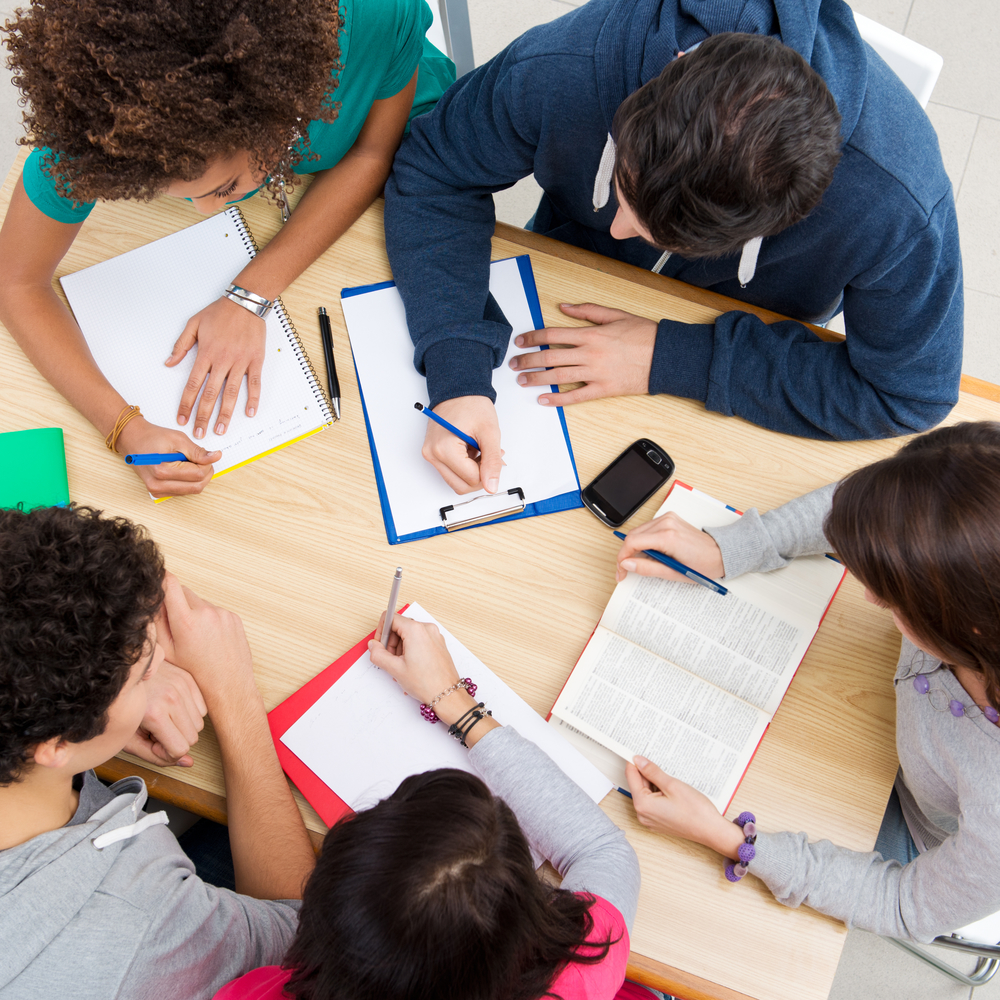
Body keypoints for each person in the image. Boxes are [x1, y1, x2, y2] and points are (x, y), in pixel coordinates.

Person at [383, 0, 962, 496]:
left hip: (744, 355)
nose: (614, 229)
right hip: (566, 288)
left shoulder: (897, 203)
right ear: (670, 73)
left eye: (651, 229)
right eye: (619, 186)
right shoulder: (568, 65)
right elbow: (435, 169)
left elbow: (909, 393)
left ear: (790, 216)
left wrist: (673, 357)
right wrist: (457, 366)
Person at [0, 0, 454, 498]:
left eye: (226, 185)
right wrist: (123, 428)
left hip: (413, 137)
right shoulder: (106, 119)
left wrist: (250, 294)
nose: (203, 212)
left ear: (270, 114)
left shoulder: (374, 16)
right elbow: (16, 283)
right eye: (180, 193)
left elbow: (372, 152)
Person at [613, 421, 1000, 941]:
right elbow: (881, 509)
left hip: (918, 832)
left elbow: (908, 905)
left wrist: (731, 840)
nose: (871, 599)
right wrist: (739, 545)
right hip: (890, 732)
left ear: (965, 623)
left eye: (893, 597)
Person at [213, 611, 651, 1000]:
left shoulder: (253, 990)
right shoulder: (574, 974)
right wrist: (456, 703)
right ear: (529, 932)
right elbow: (601, 850)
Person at [0, 504, 316, 998]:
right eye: (145, 669)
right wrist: (231, 691)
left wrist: (103, 703)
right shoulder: (141, 920)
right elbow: (309, 942)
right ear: (56, 744)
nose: (162, 660)